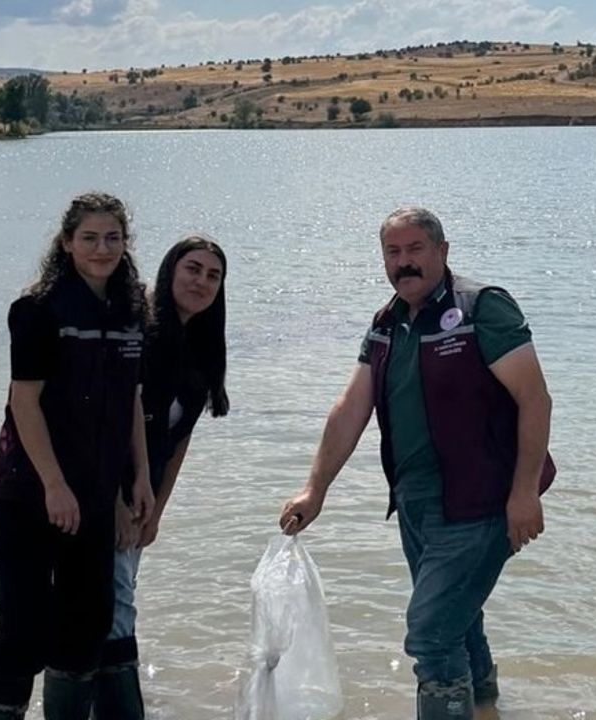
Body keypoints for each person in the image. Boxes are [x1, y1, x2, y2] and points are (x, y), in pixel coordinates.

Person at [279, 207, 556, 720]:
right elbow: (350, 410)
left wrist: (523, 494)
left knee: (430, 632)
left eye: (415, 250)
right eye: (393, 252)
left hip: (482, 503)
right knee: (458, 620)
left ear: (443, 252)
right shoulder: (387, 323)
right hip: (416, 504)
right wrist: (314, 489)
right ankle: (487, 707)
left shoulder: (481, 309)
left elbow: (535, 400)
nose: (404, 263)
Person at [0, 192, 155, 720]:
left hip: (96, 498)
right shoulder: (38, 310)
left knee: (87, 629)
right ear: (68, 243)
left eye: (113, 238)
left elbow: (131, 402)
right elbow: (23, 401)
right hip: (29, 497)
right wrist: (53, 483)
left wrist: (137, 479)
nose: (103, 249)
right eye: (91, 238)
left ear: (125, 243)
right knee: (24, 634)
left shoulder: (131, 311)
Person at [93, 235, 231, 719]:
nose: (202, 282)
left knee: (113, 607)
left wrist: (157, 510)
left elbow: (179, 441)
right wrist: (113, 504)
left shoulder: (200, 347)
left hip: (140, 498)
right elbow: (100, 424)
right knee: (112, 610)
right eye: (192, 269)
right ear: (171, 270)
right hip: (98, 489)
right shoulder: (139, 331)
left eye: (213, 276)